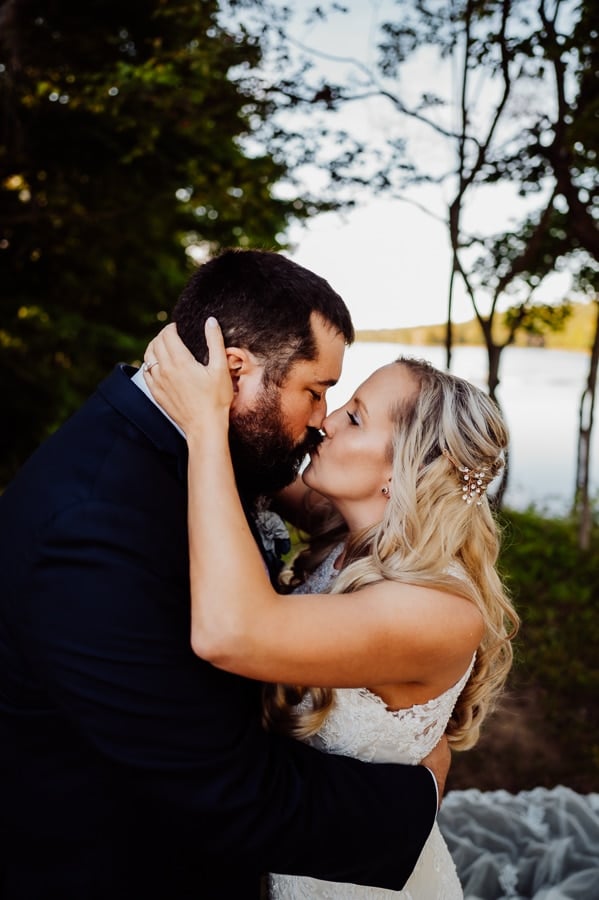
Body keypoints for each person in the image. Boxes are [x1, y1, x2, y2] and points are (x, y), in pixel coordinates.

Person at [0, 250, 447, 900]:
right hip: (124, 867)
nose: (321, 419)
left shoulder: (186, 440)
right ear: (234, 371)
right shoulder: (95, 525)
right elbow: (223, 790)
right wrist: (418, 793)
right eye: (314, 391)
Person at [141, 317, 520, 899]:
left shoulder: (438, 609)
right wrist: (216, 387)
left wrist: (202, 427)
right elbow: (254, 460)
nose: (325, 420)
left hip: (348, 877)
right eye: (331, 402)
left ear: (405, 470)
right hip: (283, 838)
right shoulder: (349, 533)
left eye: (355, 416)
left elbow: (230, 632)